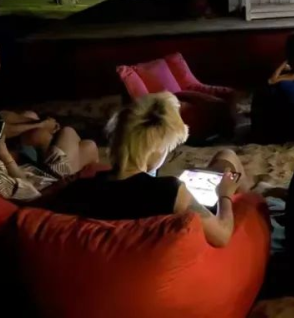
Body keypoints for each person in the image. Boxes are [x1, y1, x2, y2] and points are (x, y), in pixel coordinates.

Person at [49, 93, 250, 248]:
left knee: (221, 160)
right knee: (228, 157)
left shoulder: (79, 190)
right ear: (157, 148)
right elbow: (222, 236)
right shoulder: (169, 191)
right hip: (198, 253)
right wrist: (224, 195)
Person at [0, 32, 98, 174]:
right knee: (82, 142)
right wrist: (39, 125)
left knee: (31, 118)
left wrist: (34, 121)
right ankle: (65, 175)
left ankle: (64, 165)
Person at [0, 106, 67, 201]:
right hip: (50, 185)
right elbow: (33, 193)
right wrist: (5, 156)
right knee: (67, 132)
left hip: (32, 173)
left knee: (30, 116)